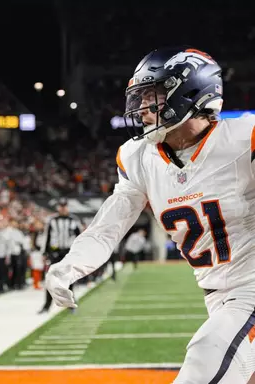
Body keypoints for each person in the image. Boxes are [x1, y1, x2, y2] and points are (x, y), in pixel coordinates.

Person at [45, 46, 255, 383]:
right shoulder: (138, 157)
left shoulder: (244, 139)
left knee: (206, 358)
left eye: (152, 96)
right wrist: (71, 266)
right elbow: (108, 227)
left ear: (189, 92)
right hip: (218, 296)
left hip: (250, 288)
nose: (142, 109)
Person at [39, 198, 82, 314]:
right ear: (58, 207)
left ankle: (70, 304)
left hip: (68, 252)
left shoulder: (73, 220)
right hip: (55, 252)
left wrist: (79, 252)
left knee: (69, 279)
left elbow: (80, 237)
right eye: (61, 206)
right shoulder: (52, 220)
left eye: (64, 206)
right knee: (51, 278)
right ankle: (47, 305)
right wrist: (44, 253)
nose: (63, 208)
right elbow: (46, 237)